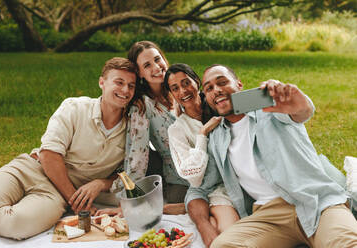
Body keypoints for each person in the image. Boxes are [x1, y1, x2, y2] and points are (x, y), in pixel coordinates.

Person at [186, 64, 357, 248]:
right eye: (209, 88)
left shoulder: (269, 109)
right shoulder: (217, 137)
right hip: (268, 217)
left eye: (222, 82)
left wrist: (296, 103)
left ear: (239, 84)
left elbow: (301, 112)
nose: (216, 90)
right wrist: (204, 226)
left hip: (316, 203)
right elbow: (200, 187)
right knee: (223, 245)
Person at [0, 57, 137, 240]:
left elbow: (128, 171)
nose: (125, 90)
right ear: (102, 83)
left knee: (14, 225)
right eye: (119, 82)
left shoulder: (134, 129)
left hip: (55, 194)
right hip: (30, 169)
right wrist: (77, 202)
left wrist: (101, 183)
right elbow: (49, 155)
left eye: (131, 85)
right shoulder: (75, 107)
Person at [111, 41, 189, 208]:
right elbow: (137, 156)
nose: (156, 67)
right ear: (139, 73)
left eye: (157, 59)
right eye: (147, 65)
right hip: (180, 176)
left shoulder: (180, 87)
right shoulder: (141, 106)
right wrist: (129, 200)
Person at [165, 63, 240, 233]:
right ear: (172, 95)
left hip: (238, 179)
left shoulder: (219, 104)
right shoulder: (177, 129)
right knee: (226, 230)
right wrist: (202, 134)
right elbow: (194, 178)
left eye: (186, 83)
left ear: (197, 82)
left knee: (225, 227)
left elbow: (253, 106)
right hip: (212, 188)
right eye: (175, 88)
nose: (183, 91)